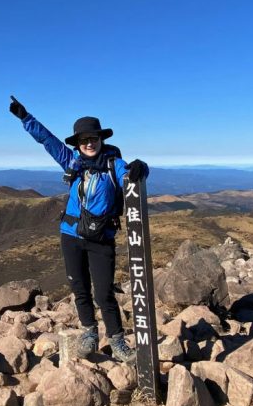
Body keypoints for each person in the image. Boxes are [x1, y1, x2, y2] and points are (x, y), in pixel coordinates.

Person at [8, 97, 149, 362]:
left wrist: (142, 168)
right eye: (83, 139)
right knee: (80, 289)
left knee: (104, 292)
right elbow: (48, 141)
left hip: (101, 239)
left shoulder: (113, 163)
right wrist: (26, 118)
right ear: (78, 143)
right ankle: (89, 333)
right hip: (71, 236)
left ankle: (117, 340)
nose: (88, 143)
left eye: (92, 137)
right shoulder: (72, 162)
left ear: (100, 138)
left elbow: (130, 175)